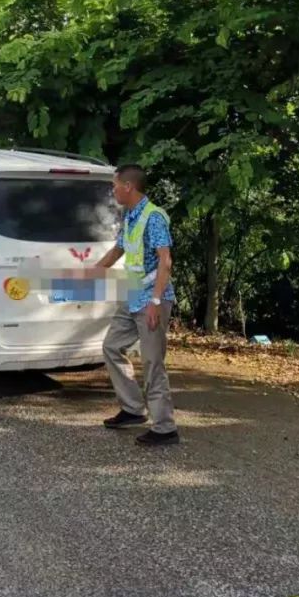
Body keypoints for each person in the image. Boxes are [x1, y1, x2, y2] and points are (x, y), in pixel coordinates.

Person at [87, 164, 178, 446]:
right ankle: (132, 409)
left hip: (153, 299)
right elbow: (119, 249)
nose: (113, 190)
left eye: (115, 185)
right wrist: (93, 272)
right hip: (133, 294)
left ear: (128, 186)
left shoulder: (153, 218)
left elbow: (166, 261)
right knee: (112, 346)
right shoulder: (130, 216)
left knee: (152, 363)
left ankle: (165, 428)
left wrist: (154, 302)